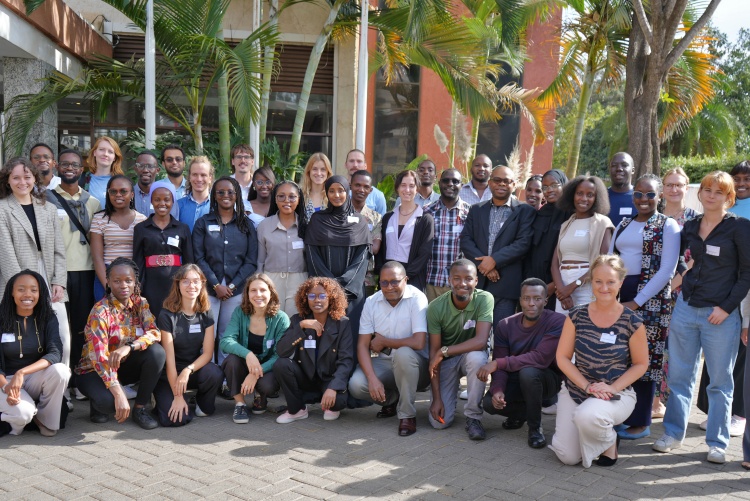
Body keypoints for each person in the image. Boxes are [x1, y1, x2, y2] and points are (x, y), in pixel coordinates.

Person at [653, 171, 750, 465]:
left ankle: (717, 443)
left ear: (729, 198)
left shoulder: (740, 228)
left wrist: (726, 307)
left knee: (720, 382)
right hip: (685, 309)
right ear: (700, 193)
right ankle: (672, 433)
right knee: (680, 376)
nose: (711, 195)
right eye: (707, 190)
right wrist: (683, 276)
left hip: (720, 315)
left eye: (719, 192)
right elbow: (682, 257)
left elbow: (747, 274)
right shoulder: (691, 226)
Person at [549, 254, 649, 468]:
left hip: (615, 394)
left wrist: (612, 388)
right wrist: (586, 386)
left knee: (589, 415)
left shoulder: (632, 321)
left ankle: (608, 442)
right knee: (568, 456)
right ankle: (595, 432)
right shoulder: (576, 315)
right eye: (598, 281)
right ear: (591, 282)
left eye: (611, 282)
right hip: (576, 389)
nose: (604, 287)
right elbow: (562, 358)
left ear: (621, 283)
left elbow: (641, 364)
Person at [608, 174, 680, 440]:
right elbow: (610, 257)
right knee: (619, 356)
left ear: (659, 196)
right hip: (619, 292)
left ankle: (640, 421)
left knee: (645, 359)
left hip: (650, 299)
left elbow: (667, 271)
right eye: (639, 194)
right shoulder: (624, 224)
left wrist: (636, 302)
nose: (644, 199)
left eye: (650, 194)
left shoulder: (667, 225)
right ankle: (618, 414)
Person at [75, 257, 165, 429]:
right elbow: (100, 358)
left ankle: (139, 409)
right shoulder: (100, 312)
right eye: (117, 281)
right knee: (109, 403)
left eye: (128, 280)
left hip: (123, 364)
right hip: (93, 371)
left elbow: (154, 332)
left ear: (134, 282)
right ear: (108, 282)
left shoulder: (140, 303)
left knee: (157, 353)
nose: (123, 285)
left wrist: (130, 347)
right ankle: (97, 404)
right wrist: (119, 393)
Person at [477, 278, 565, 449]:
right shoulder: (505, 325)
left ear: (545, 301)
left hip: (547, 379)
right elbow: (500, 368)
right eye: (526, 298)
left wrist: (497, 363)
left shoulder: (557, 321)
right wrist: (498, 390)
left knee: (529, 372)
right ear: (520, 300)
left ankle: (534, 428)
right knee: (489, 404)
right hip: (517, 378)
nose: (531, 303)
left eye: (537, 299)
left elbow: (540, 358)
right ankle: (522, 413)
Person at [696, 161, 750, 437]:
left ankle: (739, 413)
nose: (741, 184)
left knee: (740, 353)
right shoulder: (721, 210)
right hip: (717, 291)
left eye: (746, 179)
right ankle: (714, 411)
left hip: (743, 290)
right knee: (716, 353)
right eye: (736, 179)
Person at [0, 158, 70, 370]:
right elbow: (5, 253)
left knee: (62, 336)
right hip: (17, 278)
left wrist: (59, 281)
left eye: (27, 176)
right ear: (7, 181)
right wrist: (21, 289)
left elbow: (59, 249)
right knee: (25, 336)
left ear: (35, 179)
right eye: (16, 177)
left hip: (49, 275)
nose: (23, 182)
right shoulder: (2, 209)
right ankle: (21, 384)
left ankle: (61, 387)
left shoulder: (47, 208)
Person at [348, 262, 430, 436]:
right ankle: (392, 401)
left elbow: (419, 342)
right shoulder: (371, 302)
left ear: (405, 280)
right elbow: (362, 345)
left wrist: (385, 341)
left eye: (395, 281)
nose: (389, 287)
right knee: (357, 385)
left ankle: (407, 415)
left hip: (416, 367)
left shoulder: (417, 298)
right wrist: (372, 379)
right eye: (384, 282)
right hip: (385, 363)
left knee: (403, 353)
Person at [47, 149, 101, 399]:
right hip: (58, 274)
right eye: (65, 164)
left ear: (82, 169)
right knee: (58, 329)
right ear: (58, 167)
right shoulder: (45, 198)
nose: (70, 168)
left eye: (75, 165)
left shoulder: (93, 201)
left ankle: (79, 380)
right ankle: (61, 380)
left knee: (81, 328)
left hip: (86, 272)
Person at [193, 176, 258, 365]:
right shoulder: (202, 223)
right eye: (220, 192)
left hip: (235, 289)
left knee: (227, 335)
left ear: (237, 195)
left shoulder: (247, 225)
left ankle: (225, 378)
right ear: (214, 195)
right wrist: (215, 285)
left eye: (230, 192)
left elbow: (251, 261)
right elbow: (198, 258)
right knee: (207, 333)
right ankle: (208, 377)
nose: (225, 195)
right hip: (207, 289)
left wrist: (230, 285)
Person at [460, 165, 536, 323]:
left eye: (507, 181)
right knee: (474, 334)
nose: (502, 184)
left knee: (502, 335)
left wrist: (494, 260)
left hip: (506, 286)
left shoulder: (525, 211)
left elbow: (522, 243)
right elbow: (466, 240)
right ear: (489, 183)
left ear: (514, 185)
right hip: (478, 283)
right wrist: (485, 266)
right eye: (497, 180)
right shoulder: (476, 210)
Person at [427, 259, 493, 440]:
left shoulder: (485, 299)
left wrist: (444, 350)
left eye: (468, 279)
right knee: (439, 423)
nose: (462, 283)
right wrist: (437, 398)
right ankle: (449, 393)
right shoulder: (435, 307)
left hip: (469, 357)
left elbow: (480, 341)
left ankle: (473, 417)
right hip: (446, 363)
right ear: (449, 280)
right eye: (457, 278)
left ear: (476, 281)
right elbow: (434, 354)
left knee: (477, 358)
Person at [273, 277, 354, 423]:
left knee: (338, 402)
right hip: (306, 379)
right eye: (312, 296)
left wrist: (333, 388)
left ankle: (328, 400)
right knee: (281, 364)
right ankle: (297, 410)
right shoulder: (298, 320)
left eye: (322, 296)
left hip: (329, 379)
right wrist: (301, 327)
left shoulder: (342, 324)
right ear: (306, 299)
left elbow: (346, 360)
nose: (317, 300)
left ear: (331, 298)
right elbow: (281, 351)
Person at [0, 270, 70, 437]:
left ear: (40, 293)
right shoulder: (1, 318)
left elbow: (55, 353)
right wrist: (6, 386)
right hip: (4, 380)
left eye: (33, 289)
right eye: (21, 289)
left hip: (31, 379)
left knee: (61, 370)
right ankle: (25, 416)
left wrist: (22, 372)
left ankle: (45, 421)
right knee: (23, 414)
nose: (27, 294)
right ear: (12, 292)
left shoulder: (47, 317)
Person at [153, 264, 223, 427]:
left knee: (214, 372)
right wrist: (177, 397)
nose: (191, 286)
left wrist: (188, 370)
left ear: (202, 284)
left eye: (196, 281)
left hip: (192, 370)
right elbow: (169, 360)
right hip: (169, 373)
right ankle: (166, 400)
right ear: (177, 284)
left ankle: (200, 402)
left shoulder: (206, 312)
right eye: (185, 281)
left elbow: (207, 353)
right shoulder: (167, 314)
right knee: (175, 420)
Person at [220, 274, 290, 423]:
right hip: (244, 365)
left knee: (268, 385)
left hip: (267, 368)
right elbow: (225, 341)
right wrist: (248, 355)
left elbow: (280, 354)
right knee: (231, 361)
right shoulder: (240, 313)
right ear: (247, 293)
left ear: (271, 293)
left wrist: (256, 374)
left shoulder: (281, 318)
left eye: (263, 290)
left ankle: (260, 395)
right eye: (253, 290)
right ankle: (240, 404)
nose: (258, 295)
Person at [305, 176, 371, 317]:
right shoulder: (317, 220)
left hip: (352, 292)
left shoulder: (360, 221)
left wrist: (343, 285)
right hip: (323, 294)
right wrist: (328, 286)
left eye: (341, 190)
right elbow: (312, 255)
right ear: (327, 194)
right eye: (332, 191)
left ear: (347, 192)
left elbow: (362, 257)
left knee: (350, 334)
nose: (336, 195)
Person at [551, 175, 614, 314]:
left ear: (596, 198)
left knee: (584, 331)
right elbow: (554, 263)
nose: (584, 199)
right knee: (562, 330)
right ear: (572, 195)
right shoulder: (566, 224)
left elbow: (602, 263)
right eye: (579, 193)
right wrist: (561, 289)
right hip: (563, 283)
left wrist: (573, 286)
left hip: (587, 284)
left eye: (590, 195)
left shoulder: (603, 223)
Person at [133, 180, 194, 318]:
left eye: (167, 199)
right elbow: (138, 260)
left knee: (175, 318)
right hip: (151, 284)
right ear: (151, 201)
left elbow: (189, 260)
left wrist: (188, 282)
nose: (162, 203)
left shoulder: (182, 228)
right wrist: (138, 285)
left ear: (173, 201)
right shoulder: (141, 228)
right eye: (157, 199)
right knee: (152, 318)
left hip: (176, 283)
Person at [90, 175, 148, 301]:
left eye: (123, 191)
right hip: (106, 275)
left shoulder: (142, 220)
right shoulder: (99, 219)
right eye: (113, 191)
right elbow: (97, 258)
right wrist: (108, 285)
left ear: (132, 194)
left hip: (132, 278)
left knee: (133, 319)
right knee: (106, 319)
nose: (118, 195)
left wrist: (136, 283)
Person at [376, 170, 435, 292]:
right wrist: (383, 273)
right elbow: (381, 249)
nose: (407, 190)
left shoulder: (425, 219)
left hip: (412, 279)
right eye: (403, 185)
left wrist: (405, 276)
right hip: (387, 279)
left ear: (417, 189)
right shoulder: (387, 217)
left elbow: (425, 252)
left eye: (411, 186)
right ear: (397, 188)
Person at [257, 181, 308, 317]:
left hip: (299, 280)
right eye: (281, 196)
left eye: (292, 197)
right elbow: (259, 260)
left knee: (295, 321)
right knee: (271, 320)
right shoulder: (264, 226)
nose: (287, 200)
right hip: (270, 279)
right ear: (275, 199)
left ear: (299, 199)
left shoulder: (306, 225)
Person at [522, 169, 570, 311]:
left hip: (559, 284)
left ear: (564, 185)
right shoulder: (540, 213)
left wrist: (554, 285)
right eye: (545, 187)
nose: (549, 190)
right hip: (534, 281)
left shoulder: (571, 214)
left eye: (554, 185)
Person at [423, 169, 471, 302]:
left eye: (455, 181)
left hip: (459, 284)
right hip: (431, 281)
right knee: (432, 322)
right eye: (446, 180)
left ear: (462, 185)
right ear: (439, 183)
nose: (450, 184)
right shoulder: (426, 211)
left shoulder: (470, 213)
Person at [350, 170, 382, 297]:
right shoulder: (340, 214)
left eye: (366, 187)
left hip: (366, 278)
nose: (361, 189)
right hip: (342, 276)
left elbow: (374, 248)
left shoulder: (376, 218)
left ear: (371, 190)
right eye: (357, 185)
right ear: (350, 186)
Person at [80, 136, 125, 207]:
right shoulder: (81, 180)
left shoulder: (122, 182)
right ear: (95, 153)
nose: (105, 154)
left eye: (110, 152)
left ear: (114, 158)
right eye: (101, 150)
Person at [133, 150, 179, 219]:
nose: (145, 170)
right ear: (135, 169)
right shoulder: (128, 195)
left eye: (150, 166)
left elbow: (173, 226)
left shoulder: (168, 197)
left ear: (157, 170)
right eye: (141, 166)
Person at [177, 156, 214, 232]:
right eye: (195, 175)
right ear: (189, 177)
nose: (199, 179)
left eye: (203, 175)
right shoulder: (178, 205)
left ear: (210, 178)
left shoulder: (217, 206)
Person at [345, 149, 386, 215]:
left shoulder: (378, 196)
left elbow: (382, 222)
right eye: (351, 161)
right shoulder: (338, 192)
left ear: (365, 166)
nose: (355, 165)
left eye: (359, 161)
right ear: (346, 165)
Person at [607, 152, 637, 227]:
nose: (619, 169)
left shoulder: (640, 197)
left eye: (624, 165)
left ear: (632, 170)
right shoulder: (601, 197)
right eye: (614, 165)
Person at [302, 152, 332, 222]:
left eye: (323, 169)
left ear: (328, 173)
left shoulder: (332, 196)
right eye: (315, 169)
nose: (318, 173)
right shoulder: (300, 196)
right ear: (309, 172)